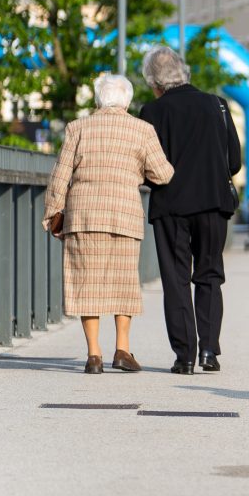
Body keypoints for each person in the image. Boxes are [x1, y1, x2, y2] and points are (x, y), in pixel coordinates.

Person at [43, 74, 174, 374]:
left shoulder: (78, 128)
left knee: (85, 284)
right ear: (127, 100)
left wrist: (52, 212)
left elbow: (60, 175)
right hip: (124, 217)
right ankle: (123, 350)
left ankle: (93, 356)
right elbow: (163, 174)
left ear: (98, 99)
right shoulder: (142, 130)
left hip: (84, 216)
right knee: (124, 283)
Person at [139, 46, 242, 375]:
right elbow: (235, 162)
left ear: (154, 81)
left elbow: (147, 167)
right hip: (213, 204)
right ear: (184, 73)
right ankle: (209, 351)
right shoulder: (217, 105)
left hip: (170, 206)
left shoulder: (152, 112)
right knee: (210, 276)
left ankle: (184, 356)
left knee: (176, 279)